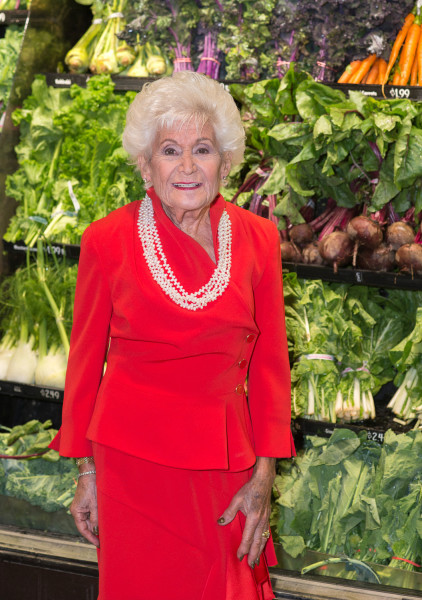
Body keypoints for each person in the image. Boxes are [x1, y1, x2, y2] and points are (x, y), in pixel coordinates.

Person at [49, 71, 295, 600]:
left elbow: (271, 365)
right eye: (169, 150)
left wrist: (264, 479)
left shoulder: (259, 240)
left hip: (227, 463)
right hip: (132, 469)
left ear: (225, 162)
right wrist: (86, 473)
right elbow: (85, 364)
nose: (187, 166)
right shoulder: (105, 241)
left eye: (202, 149)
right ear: (145, 163)